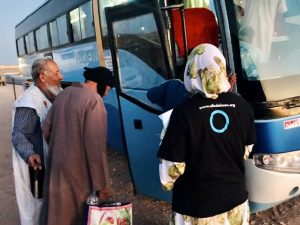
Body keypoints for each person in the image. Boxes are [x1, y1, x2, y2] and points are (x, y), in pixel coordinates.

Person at [157, 43, 256, 225]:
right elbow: (246, 150)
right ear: (221, 68)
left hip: (197, 206)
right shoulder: (242, 105)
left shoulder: (182, 113)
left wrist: (168, 183)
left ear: (192, 71)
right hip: (236, 201)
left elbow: (171, 170)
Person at [40, 66, 114, 225]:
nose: (107, 92)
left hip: (56, 169)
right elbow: (96, 148)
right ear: (100, 83)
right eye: (108, 87)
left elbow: (46, 130)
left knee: (56, 214)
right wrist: (102, 186)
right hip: (79, 175)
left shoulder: (63, 94)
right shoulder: (94, 100)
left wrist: (60, 148)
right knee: (78, 216)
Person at [11, 58, 63, 225]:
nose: (61, 76)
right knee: (36, 209)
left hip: (49, 162)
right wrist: (30, 154)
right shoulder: (29, 101)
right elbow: (19, 134)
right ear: (42, 77)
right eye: (56, 73)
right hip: (36, 166)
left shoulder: (51, 94)